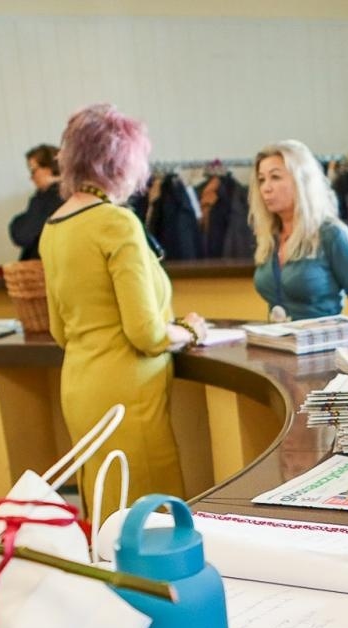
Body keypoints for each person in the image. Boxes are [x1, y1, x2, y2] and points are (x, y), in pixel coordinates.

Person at [40, 105, 206, 505]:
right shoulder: (115, 223)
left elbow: (59, 330)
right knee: (152, 516)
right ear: (121, 161)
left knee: (105, 508)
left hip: (80, 388)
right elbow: (146, 334)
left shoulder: (55, 225)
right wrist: (191, 329)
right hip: (127, 394)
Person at [250, 140, 348, 321]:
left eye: (275, 177)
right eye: (261, 180)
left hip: (323, 345)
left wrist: (344, 344)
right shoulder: (270, 237)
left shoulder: (331, 234)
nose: (266, 188)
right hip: (276, 344)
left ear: (301, 181)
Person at [9, 144, 64, 260]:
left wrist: (17, 222)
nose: (31, 178)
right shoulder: (71, 192)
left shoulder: (51, 197)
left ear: (49, 169)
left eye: (33, 171)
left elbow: (22, 235)